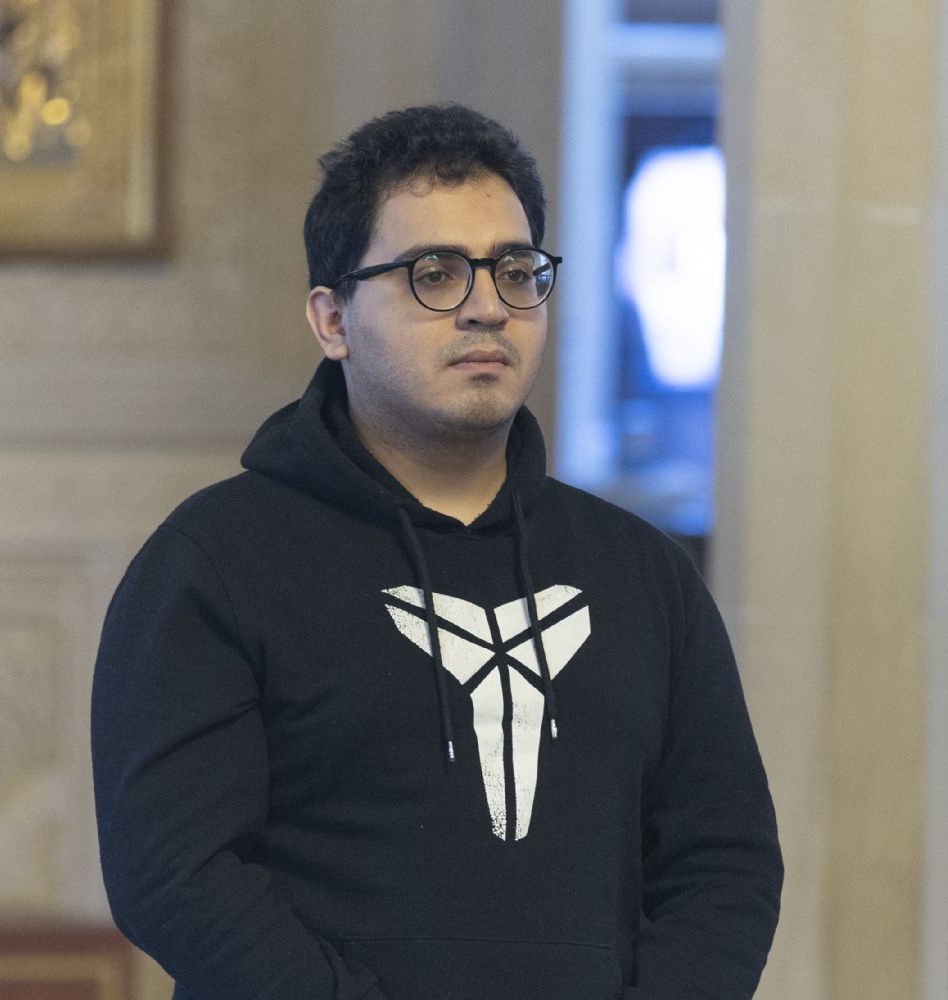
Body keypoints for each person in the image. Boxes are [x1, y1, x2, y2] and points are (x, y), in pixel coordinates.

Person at [91, 103, 783, 1000]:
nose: (488, 307)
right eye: (435, 275)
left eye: (516, 271)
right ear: (332, 320)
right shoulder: (214, 561)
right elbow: (175, 872)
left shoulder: (643, 574)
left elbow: (725, 865)